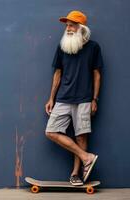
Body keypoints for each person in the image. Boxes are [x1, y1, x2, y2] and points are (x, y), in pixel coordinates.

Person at [45, 10, 103, 186]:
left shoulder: (93, 47)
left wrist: (95, 99)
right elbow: (57, 74)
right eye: (67, 25)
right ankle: (87, 157)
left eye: (71, 25)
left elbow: (97, 75)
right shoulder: (62, 46)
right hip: (63, 98)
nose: (68, 28)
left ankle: (75, 174)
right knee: (51, 131)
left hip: (84, 98)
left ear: (81, 27)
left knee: (81, 137)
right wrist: (51, 99)